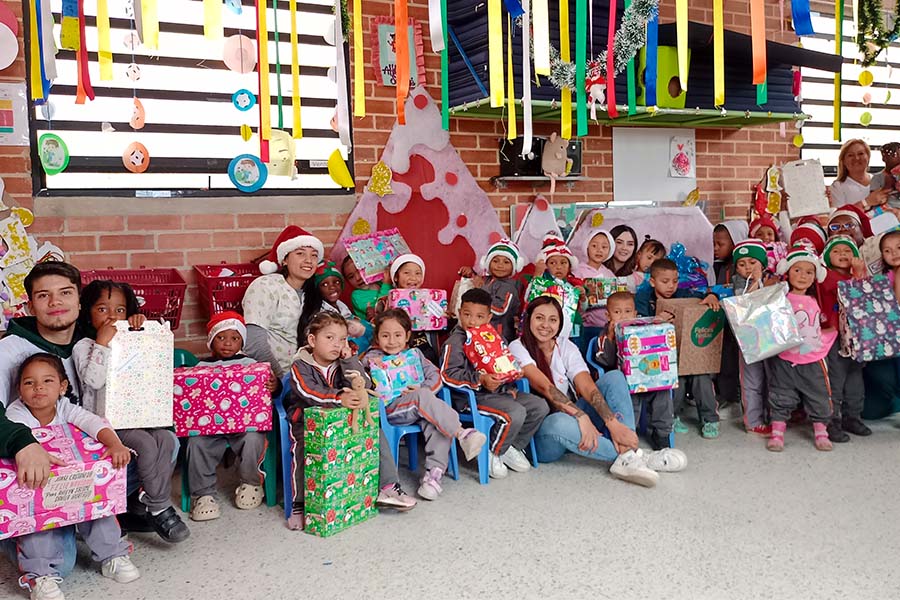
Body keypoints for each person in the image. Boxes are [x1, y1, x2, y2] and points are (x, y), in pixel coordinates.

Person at [508, 296, 685, 486]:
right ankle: (636, 457)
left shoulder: (565, 346)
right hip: (545, 433)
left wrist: (612, 423)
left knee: (615, 377)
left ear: (560, 323)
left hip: (576, 420)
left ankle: (627, 453)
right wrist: (581, 416)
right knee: (558, 421)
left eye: (553, 320)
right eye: (539, 318)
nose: (545, 325)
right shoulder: (517, 347)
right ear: (529, 320)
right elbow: (545, 387)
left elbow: (586, 385)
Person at [6, 354, 139, 599]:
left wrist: (115, 444)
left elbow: (91, 422)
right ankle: (40, 575)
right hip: (38, 485)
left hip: (71, 483)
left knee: (98, 505)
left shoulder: (65, 407)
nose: (38, 388)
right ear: (19, 389)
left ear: (62, 387)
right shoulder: (15, 415)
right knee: (38, 525)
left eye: (47, 381)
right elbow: (19, 438)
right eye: (29, 383)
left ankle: (113, 555)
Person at [72, 280, 189, 543]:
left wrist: (142, 330)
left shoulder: (134, 340)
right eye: (102, 309)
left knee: (168, 440)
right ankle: (159, 505)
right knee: (146, 445)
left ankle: (140, 505)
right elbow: (93, 381)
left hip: (138, 416)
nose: (112, 317)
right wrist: (102, 343)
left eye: (121, 311)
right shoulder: (84, 346)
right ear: (87, 313)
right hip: (104, 424)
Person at [288, 312, 416, 530]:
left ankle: (388, 486)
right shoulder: (300, 365)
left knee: (374, 430)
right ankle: (301, 504)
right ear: (312, 340)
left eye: (342, 339)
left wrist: (349, 361)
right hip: (306, 423)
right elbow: (308, 391)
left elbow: (365, 385)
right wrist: (339, 398)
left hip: (343, 419)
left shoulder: (342, 361)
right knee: (303, 450)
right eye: (329, 338)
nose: (336, 344)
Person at [363, 309, 486, 500]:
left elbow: (436, 376)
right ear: (377, 337)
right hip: (391, 409)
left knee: (435, 420)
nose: (392, 341)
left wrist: (422, 388)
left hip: (418, 405)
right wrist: (372, 369)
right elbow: (362, 384)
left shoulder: (415, 355)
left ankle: (433, 477)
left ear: (407, 336)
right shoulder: (372, 359)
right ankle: (462, 433)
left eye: (398, 335)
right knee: (428, 404)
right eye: (385, 335)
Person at [440, 288, 549, 479]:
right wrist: (479, 379)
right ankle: (492, 452)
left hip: (500, 394)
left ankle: (511, 447)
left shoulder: (495, 339)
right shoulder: (454, 342)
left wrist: (511, 382)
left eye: (480, 316)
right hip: (470, 399)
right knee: (515, 412)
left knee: (539, 406)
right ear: (459, 313)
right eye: (467, 315)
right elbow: (448, 375)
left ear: (489, 317)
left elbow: (503, 366)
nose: (472, 321)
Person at [186, 312, 280, 522]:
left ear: (242, 342)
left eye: (234, 338)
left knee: (254, 439)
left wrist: (274, 386)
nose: (227, 343)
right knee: (196, 443)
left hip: (244, 426)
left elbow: (268, 391)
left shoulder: (252, 364)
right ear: (211, 340)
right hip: (209, 428)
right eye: (221, 337)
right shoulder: (200, 368)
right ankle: (203, 494)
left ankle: (251, 483)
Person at [636, 258, 722, 438]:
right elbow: (638, 324)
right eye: (665, 281)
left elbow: (701, 297)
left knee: (701, 375)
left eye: (674, 281)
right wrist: (656, 320)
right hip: (659, 355)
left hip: (688, 352)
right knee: (677, 379)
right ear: (652, 281)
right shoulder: (643, 299)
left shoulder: (682, 294)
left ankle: (710, 419)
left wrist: (713, 296)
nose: (671, 286)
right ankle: (671, 416)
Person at [767, 247, 837, 452]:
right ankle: (777, 432)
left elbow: (821, 324)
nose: (803, 276)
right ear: (787, 273)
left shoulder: (816, 300)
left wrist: (830, 332)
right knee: (781, 394)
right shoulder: (780, 297)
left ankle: (821, 431)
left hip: (813, 359)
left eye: (809, 272)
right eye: (797, 270)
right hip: (785, 358)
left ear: (815, 276)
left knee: (819, 395)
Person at [594, 292, 675, 450]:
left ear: (635, 314)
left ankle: (661, 433)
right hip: (624, 383)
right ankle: (630, 433)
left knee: (663, 394)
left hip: (648, 377)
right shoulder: (604, 336)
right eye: (617, 312)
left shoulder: (642, 328)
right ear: (607, 315)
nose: (623, 316)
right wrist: (611, 338)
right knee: (633, 401)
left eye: (628, 311)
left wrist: (658, 324)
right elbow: (605, 361)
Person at [242, 225, 325, 379]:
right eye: (300, 253)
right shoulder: (266, 286)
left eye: (314, 255)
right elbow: (253, 343)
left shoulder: (313, 294)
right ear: (285, 259)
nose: (309, 260)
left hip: (306, 380)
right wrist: (280, 380)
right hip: (270, 378)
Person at [0, 261, 85, 407]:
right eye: (43, 295)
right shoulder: (8, 350)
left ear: (79, 301)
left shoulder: (94, 342)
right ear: (31, 307)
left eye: (65, 292)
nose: (55, 302)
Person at [818, 237, 870, 442]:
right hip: (835, 337)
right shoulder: (826, 277)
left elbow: (866, 300)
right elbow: (845, 292)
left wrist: (859, 276)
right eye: (836, 251)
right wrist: (856, 277)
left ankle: (853, 416)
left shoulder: (860, 275)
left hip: (856, 337)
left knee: (855, 378)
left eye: (848, 251)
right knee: (836, 379)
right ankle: (832, 420)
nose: (843, 255)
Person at [731, 240, 775, 435]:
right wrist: (756, 281)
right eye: (741, 264)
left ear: (763, 264)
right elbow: (745, 301)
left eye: (752, 262)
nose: (747, 267)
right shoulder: (738, 282)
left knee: (773, 379)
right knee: (752, 381)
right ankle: (753, 420)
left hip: (772, 338)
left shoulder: (773, 279)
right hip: (749, 342)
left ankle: (775, 416)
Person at [375, 253, 441, 365]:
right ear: (396, 277)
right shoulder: (385, 300)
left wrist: (445, 316)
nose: (413, 278)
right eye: (406, 273)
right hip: (395, 348)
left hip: (423, 346)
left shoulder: (429, 298)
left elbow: (439, 322)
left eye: (418, 273)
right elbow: (378, 323)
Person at [458, 238, 526, 344]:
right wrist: (470, 274)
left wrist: (481, 288)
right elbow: (477, 284)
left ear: (515, 265)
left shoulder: (510, 288)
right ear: (487, 263)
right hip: (482, 333)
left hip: (499, 336)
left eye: (506, 262)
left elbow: (500, 310)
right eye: (495, 261)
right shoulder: (487, 280)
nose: (500, 265)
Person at [526, 234, 581, 339]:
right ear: (545, 265)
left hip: (570, 330)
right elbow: (528, 299)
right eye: (552, 263)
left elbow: (581, 310)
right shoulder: (541, 283)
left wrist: (582, 298)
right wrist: (537, 275)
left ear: (570, 266)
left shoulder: (573, 285)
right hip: (546, 329)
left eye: (563, 263)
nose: (558, 267)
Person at [572, 228, 616, 354]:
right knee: (585, 353)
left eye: (604, 247)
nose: (599, 250)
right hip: (586, 325)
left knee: (602, 354)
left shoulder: (610, 274)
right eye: (594, 245)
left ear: (609, 251)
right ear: (587, 247)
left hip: (605, 326)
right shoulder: (578, 271)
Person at [315, 261, 370, 351]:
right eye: (324, 284)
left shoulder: (342, 306)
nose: (332, 287)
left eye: (336, 282)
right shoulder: (321, 312)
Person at [829, 139, 890, 210]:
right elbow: (840, 217)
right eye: (850, 155)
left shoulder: (879, 181)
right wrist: (866, 202)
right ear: (843, 161)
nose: (856, 158)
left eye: (860, 153)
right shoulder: (837, 187)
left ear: (868, 157)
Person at [341, 255, 390, 322]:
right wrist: (386, 284)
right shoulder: (357, 295)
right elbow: (379, 309)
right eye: (351, 277)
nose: (358, 278)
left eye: (360, 271)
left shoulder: (380, 283)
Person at [870, 142, 900, 211]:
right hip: (885, 212)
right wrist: (887, 186)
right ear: (884, 158)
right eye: (894, 155)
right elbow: (874, 200)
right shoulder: (877, 178)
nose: (899, 158)